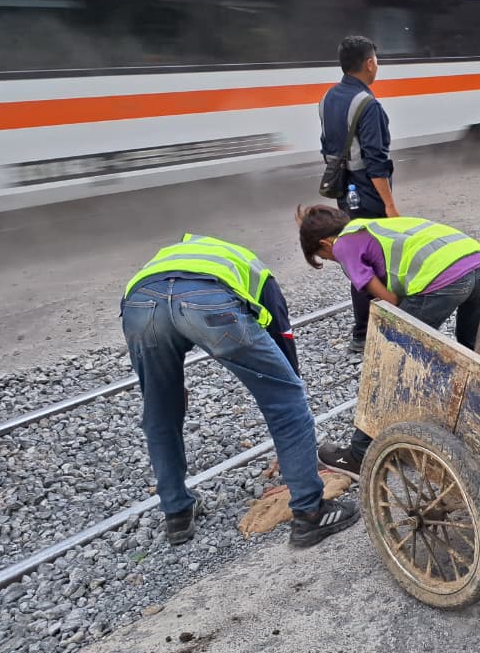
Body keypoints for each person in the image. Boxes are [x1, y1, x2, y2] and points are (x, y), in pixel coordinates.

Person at [121, 233, 359, 547]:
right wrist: (291, 428)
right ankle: (309, 512)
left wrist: (168, 391)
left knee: (160, 410)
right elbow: (282, 336)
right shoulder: (250, 265)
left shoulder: (165, 258)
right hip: (208, 304)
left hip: (141, 306)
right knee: (287, 399)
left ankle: (177, 513)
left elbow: (157, 375)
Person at [296, 205, 480, 475]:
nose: (334, 260)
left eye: (325, 257)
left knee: (390, 361)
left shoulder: (343, 244)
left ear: (324, 243)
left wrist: (402, 330)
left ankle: (360, 453)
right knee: (472, 349)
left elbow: (388, 300)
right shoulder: (373, 226)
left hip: (444, 278)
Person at [320, 35, 399, 355]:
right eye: (376, 61)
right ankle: (370, 330)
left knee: (356, 254)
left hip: (345, 192)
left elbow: (326, 146)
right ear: (369, 64)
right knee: (377, 259)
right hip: (368, 193)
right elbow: (376, 162)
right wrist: (390, 205)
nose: (377, 66)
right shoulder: (368, 105)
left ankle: (363, 330)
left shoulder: (328, 98)